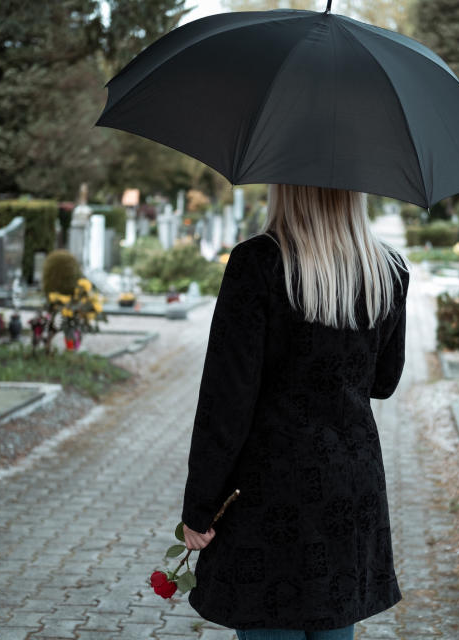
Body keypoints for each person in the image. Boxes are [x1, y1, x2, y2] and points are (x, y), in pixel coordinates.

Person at [181, 183, 410, 640]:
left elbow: (226, 399)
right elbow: (383, 383)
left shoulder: (258, 263)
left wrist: (200, 505)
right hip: (349, 482)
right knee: (333, 623)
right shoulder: (388, 270)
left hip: (271, 488)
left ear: (285, 187)